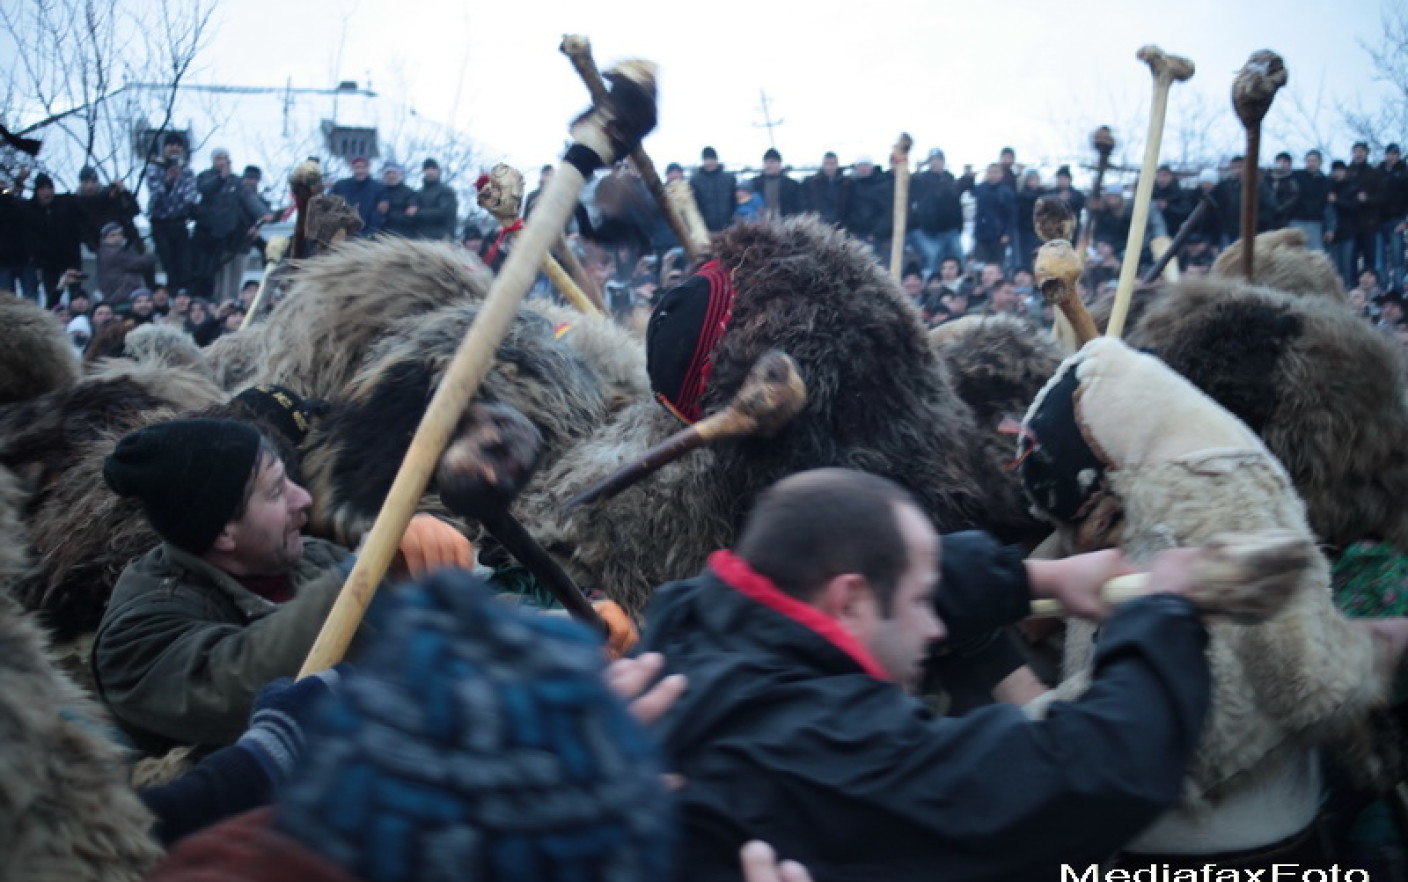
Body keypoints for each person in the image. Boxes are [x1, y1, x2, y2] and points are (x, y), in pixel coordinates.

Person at [641, 467, 1214, 881]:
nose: (936, 630)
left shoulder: (689, 622)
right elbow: (1100, 772)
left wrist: (1040, 579)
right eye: (921, 601)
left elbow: (890, 570)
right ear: (850, 602)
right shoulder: (840, 751)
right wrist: (1163, 613)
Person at [92, 418, 474, 750]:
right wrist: (373, 571)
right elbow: (245, 683)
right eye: (276, 491)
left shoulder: (308, 556)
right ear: (223, 531)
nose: (304, 499)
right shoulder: (138, 637)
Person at [191, 149, 269, 304]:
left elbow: (248, 198)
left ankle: (230, 305)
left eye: (226, 159)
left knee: (231, 280)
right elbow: (204, 189)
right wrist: (220, 178)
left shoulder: (235, 181)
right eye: (219, 158)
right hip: (208, 236)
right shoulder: (205, 176)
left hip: (230, 236)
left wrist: (263, 213)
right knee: (211, 277)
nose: (223, 162)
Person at [145, 133, 198, 290]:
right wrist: (168, 182)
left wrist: (191, 206)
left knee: (184, 265)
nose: (174, 148)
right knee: (168, 265)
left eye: (178, 145)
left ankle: (183, 294)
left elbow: (190, 194)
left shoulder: (186, 170)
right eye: (171, 145)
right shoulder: (154, 167)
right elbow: (156, 194)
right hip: (160, 223)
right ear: (164, 148)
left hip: (180, 222)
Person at [908, 149, 970, 279]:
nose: (935, 163)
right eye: (932, 160)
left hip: (951, 229)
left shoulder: (949, 178)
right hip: (932, 231)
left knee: (958, 258)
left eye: (938, 160)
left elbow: (955, 201)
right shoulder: (922, 179)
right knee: (934, 260)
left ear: (943, 161)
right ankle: (932, 285)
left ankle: (961, 284)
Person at [28, 172, 86, 307]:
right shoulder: (30, 209)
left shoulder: (66, 203)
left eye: (49, 188)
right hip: (47, 261)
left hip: (70, 257)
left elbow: (84, 219)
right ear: (36, 191)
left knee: (76, 292)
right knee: (52, 293)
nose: (46, 192)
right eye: (42, 189)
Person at [96, 221, 157, 304]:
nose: (117, 237)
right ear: (104, 239)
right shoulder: (113, 253)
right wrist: (152, 254)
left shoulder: (109, 251)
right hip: (121, 295)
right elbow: (140, 263)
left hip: (118, 294)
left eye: (119, 234)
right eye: (112, 235)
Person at [843, 155, 891, 259]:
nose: (864, 168)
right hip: (855, 234)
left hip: (873, 235)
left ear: (872, 167)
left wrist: (876, 233)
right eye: (861, 165)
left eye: (866, 165)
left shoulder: (881, 184)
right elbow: (847, 209)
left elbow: (887, 212)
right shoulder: (850, 184)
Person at [971, 163, 1015, 268]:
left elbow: (1012, 215)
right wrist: (970, 178)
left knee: (997, 266)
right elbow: (967, 191)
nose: (993, 175)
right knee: (980, 266)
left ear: (1001, 174)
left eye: (996, 172)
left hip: (999, 236)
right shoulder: (980, 188)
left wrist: (1007, 233)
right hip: (981, 235)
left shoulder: (1006, 191)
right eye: (990, 172)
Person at [330, 156, 386, 236]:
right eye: (357, 167)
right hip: (343, 231)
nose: (360, 171)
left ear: (368, 168)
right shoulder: (341, 185)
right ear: (352, 168)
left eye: (363, 167)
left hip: (368, 232)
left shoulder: (378, 187)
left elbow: (382, 210)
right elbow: (330, 203)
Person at [1290, 149, 1331, 252]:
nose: (1311, 164)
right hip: (1297, 219)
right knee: (1295, 251)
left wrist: (1329, 227)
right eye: (1309, 161)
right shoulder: (1296, 176)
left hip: (1315, 221)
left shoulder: (1326, 181)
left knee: (1315, 252)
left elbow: (1328, 207)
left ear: (1320, 162)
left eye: (1314, 161)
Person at [1379, 143, 1406, 289]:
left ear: (1399, 155)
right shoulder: (1379, 171)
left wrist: (1406, 222)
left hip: (1397, 220)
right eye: (1389, 153)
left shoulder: (1404, 172)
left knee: (1398, 260)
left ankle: (1398, 291)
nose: (1391, 157)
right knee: (1380, 261)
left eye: (1395, 154)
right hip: (1379, 221)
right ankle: (1382, 290)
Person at [692, 146, 737, 233]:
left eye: (711, 159)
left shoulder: (729, 178)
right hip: (706, 229)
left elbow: (734, 201)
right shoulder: (695, 181)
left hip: (728, 227)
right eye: (706, 159)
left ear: (716, 160)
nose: (709, 162)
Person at [751, 148, 803, 220]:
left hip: (785, 223)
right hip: (761, 223)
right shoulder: (754, 183)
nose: (768, 165)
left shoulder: (792, 185)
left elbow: (798, 207)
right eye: (766, 162)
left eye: (772, 162)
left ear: (779, 164)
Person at [414, 158, 458, 241]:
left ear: (438, 171)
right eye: (427, 169)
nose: (430, 172)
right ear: (424, 171)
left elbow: (445, 213)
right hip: (420, 238)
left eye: (433, 168)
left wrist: (418, 213)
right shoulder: (418, 193)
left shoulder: (446, 191)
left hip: (441, 238)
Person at [802, 151, 850, 227]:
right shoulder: (811, 183)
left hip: (840, 226)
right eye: (827, 164)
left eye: (833, 164)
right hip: (818, 226)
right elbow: (804, 204)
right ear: (823, 165)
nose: (830, 167)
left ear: (837, 165)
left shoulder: (846, 183)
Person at [379, 162, 418, 238]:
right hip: (382, 234)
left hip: (403, 234)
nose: (391, 176)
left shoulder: (409, 192)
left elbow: (411, 213)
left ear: (399, 175)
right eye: (388, 173)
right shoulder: (380, 191)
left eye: (394, 173)